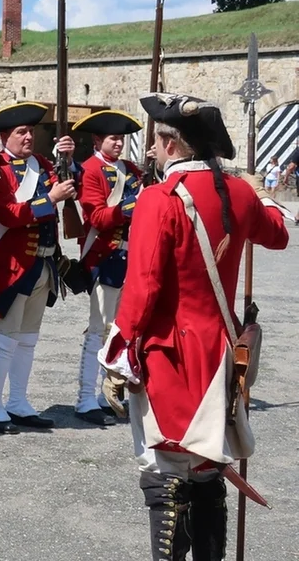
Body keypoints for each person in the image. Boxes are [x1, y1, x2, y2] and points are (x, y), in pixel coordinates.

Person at [99, 92, 290, 561]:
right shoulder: (239, 193)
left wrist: (118, 357)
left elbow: (142, 288)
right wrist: (260, 188)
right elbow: (281, 232)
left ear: (167, 144)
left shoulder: (159, 199)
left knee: (164, 467)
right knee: (206, 466)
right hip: (220, 352)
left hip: (171, 354)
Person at [0, 102, 77, 434]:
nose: (28, 136)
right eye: (21, 132)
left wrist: (69, 157)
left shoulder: (44, 163)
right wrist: (50, 198)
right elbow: (8, 214)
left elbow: (71, 182)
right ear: (5, 135)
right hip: (13, 264)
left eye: (31, 131)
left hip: (43, 262)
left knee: (29, 338)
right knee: (6, 337)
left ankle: (18, 401)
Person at [68, 110, 143, 427]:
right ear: (98, 140)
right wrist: (128, 206)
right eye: (113, 139)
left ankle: (106, 391)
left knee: (121, 328)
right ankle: (86, 397)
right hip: (105, 255)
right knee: (98, 329)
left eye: (121, 139)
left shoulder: (131, 169)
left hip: (131, 256)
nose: (119, 144)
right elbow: (97, 217)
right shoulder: (91, 170)